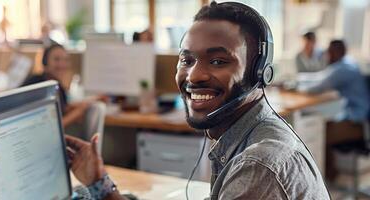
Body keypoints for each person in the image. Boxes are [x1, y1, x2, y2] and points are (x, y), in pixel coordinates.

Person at [66, 2, 330, 199]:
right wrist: (99, 183)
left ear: (258, 71)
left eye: (218, 61)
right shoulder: (247, 136)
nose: (195, 75)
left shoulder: (257, 168)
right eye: (187, 60)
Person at [299, 40, 370, 180]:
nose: (326, 55)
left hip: (357, 123)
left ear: (336, 52)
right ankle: (330, 175)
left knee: (320, 131)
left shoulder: (342, 70)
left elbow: (317, 88)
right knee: (325, 125)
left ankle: (324, 179)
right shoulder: (348, 63)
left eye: (329, 52)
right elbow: (322, 77)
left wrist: (295, 87)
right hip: (361, 119)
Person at [22, 44, 91, 128]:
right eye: (56, 59)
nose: (62, 64)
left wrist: (89, 102)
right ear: (45, 63)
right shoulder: (37, 86)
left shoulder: (55, 84)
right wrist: (78, 112)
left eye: (66, 60)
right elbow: (51, 127)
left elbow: (63, 107)